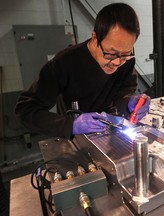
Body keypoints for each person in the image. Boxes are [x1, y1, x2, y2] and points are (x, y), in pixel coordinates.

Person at [14, 3, 151, 139]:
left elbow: (123, 92)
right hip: (74, 134)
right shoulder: (64, 62)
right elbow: (26, 109)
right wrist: (70, 125)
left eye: (125, 53)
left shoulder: (125, 61)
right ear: (95, 37)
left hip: (109, 130)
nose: (117, 62)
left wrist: (129, 102)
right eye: (111, 53)